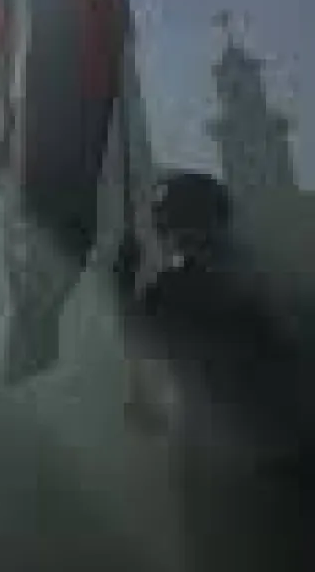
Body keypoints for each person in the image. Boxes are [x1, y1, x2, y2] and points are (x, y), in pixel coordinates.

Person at [122, 170, 315, 572]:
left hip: (231, 476)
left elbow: (148, 397)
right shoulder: (285, 280)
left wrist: (123, 288)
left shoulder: (173, 290)